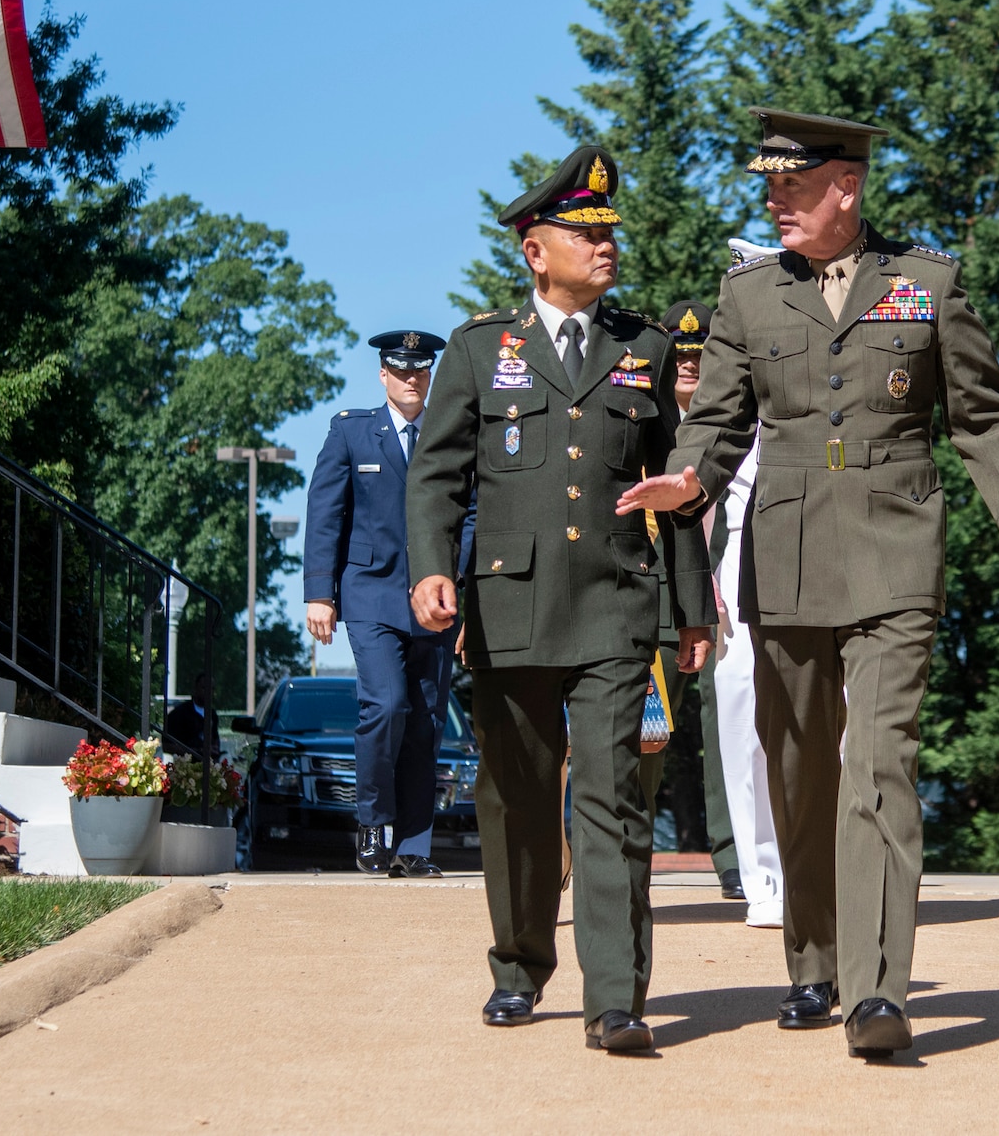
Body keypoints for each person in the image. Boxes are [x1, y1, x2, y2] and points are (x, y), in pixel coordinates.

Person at [618, 109, 999, 1059]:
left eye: (792, 187)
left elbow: (984, 417)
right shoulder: (749, 295)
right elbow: (716, 423)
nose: (774, 201)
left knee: (878, 766)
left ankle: (876, 991)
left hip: (896, 553)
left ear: (845, 187)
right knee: (799, 773)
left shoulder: (926, 284)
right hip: (789, 555)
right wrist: (688, 481)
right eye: (769, 186)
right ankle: (812, 962)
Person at [406, 145, 714, 1055]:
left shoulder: (645, 347)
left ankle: (616, 996)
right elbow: (436, 478)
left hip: (620, 605)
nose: (606, 244)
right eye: (585, 233)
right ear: (535, 251)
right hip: (507, 610)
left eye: (610, 230)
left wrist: (689, 606)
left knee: (615, 798)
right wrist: (431, 568)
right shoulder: (477, 350)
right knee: (520, 795)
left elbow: (678, 488)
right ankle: (519, 964)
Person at [304, 328, 460, 879]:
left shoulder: (449, 435)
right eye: (401, 368)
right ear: (383, 374)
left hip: (435, 600)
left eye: (421, 368)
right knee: (387, 705)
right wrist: (320, 594)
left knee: (427, 721)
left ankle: (414, 845)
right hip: (369, 592)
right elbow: (326, 513)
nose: (413, 377)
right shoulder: (352, 432)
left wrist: (463, 591)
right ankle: (374, 822)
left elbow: (469, 517)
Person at [675, 265, 789, 930]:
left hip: (813, 545)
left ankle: (818, 869)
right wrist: (702, 590)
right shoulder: (719, 401)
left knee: (826, 721)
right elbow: (696, 504)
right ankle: (761, 878)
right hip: (739, 560)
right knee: (742, 715)